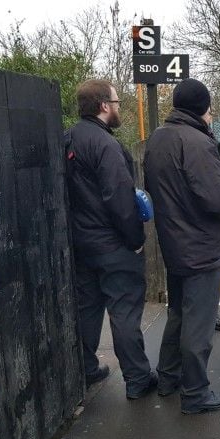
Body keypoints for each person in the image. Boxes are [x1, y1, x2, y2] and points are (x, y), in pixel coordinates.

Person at [144, 78, 220, 414]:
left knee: (177, 316)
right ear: (201, 107)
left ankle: (168, 379)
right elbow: (216, 198)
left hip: (174, 242)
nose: (212, 115)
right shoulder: (197, 142)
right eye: (210, 109)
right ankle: (196, 392)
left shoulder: (158, 138)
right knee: (198, 324)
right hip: (201, 246)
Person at [64, 79, 157, 399]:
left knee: (87, 309)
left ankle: (87, 369)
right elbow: (120, 198)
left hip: (81, 244)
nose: (118, 109)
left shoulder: (68, 139)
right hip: (114, 245)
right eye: (116, 104)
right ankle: (137, 379)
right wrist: (134, 240)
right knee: (125, 311)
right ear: (104, 106)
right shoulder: (106, 145)